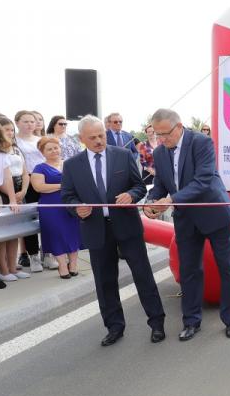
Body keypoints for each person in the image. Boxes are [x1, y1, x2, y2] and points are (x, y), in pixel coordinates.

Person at [61, 116, 166, 346]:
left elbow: (139, 186)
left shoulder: (123, 155)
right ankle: (114, 327)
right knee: (105, 281)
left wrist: (131, 195)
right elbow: (67, 196)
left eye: (102, 135)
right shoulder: (72, 165)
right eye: (93, 137)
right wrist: (76, 208)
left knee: (143, 275)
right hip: (96, 230)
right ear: (82, 138)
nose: (99, 141)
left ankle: (157, 322)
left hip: (127, 227)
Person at [144, 108, 230, 341]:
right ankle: (191, 321)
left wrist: (171, 200)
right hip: (185, 218)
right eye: (157, 134)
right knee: (189, 270)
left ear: (179, 127)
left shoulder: (201, 142)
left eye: (165, 134)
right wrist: (151, 202)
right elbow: (161, 184)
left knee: (226, 267)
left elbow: (203, 179)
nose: (161, 139)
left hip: (214, 213)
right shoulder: (159, 152)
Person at [30, 137, 82, 279]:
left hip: (71, 204)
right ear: (43, 152)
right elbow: (39, 187)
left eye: (56, 148)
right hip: (51, 207)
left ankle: (73, 265)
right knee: (56, 235)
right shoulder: (39, 168)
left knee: (73, 234)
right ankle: (62, 266)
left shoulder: (69, 164)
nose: (54, 151)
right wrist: (62, 186)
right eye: (49, 149)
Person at [0, 115, 30, 282]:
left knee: (15, 232)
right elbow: (1, 177)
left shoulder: (14, 149)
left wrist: (21, 192)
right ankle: (3, 269)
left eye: (11, 130)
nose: (10, 132)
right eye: (6, 130)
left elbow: (23, 172)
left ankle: (12, 267)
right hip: (2, 192)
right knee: (3, 235)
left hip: (16, 191)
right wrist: (10, 196)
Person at [14, 110, 45, 272]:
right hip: (26, 181)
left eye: (32, 121)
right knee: (29, 218)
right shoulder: (14, 141)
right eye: (25, 121)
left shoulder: (41, 140)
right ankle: (33, 255)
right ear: (17, 123)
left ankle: (49, 253)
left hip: (44, 179)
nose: (30, 124)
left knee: (47, 216)